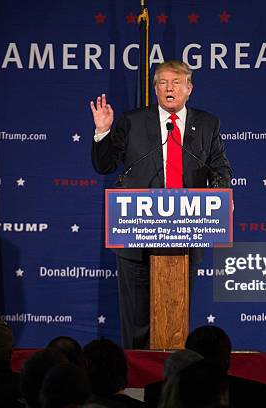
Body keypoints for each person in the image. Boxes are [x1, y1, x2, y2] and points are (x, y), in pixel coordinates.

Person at [90, 60, 232, 349]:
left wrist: (221, 193)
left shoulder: (207, 124)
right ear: (155, 89)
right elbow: (104, 165)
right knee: (137, 318)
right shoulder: (132, 121)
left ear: (189, 89)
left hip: (186, 233)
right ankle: (138, 379)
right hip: (136, 235)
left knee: (175, 313)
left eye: (177, 82)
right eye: (163, 82)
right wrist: (102, 131)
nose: (170, 88)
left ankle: (175, 376)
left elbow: (220, 168)